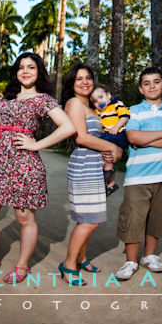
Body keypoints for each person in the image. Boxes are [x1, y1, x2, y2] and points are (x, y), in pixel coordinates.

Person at [0, 52, 75, 284]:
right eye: (21, 67)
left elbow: (68, 127)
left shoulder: (44, 100)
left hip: (25, 168)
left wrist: (36, 145)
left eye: (31, 67)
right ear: (16, 72)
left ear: (38, 72)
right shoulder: (5, 101)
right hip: (0, 167)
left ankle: (22, 266)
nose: (25, 71)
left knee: (24, 219)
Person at [115, 66, 162, 281]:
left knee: (158, 217)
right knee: (133, 217)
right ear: (140, 89)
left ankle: (150, 256)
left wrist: (148, 139)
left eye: (156, 82)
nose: (152, 86)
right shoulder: (134, 111)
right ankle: (130, 261)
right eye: (146, 83)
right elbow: (134, 138)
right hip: (138, 176)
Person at [59, 64, 122, 286]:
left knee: (89, 216)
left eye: (88, 78)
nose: (85, 82)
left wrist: (111, 152)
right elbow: (82, 138)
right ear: (72, 84)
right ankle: (68, 264)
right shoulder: (74, 103)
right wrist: (112, 148)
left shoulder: (93, 107)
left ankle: (82, 258)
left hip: (96, 165)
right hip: (84, 164)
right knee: (90, 220)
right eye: (79, 79)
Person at [90, 85, 130, 195]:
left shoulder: (116, 104)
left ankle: (107, 176)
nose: (99, 102)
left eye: (101, 97)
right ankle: (111, 183)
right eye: (95, 101)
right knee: (104, 153)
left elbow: (125, 116)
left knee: (103, 146)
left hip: (119, 134)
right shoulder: (99, 111)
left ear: (108, 95)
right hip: (108, 136)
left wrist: (116, 127)